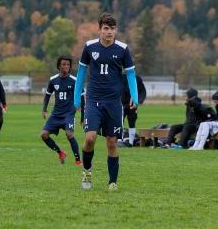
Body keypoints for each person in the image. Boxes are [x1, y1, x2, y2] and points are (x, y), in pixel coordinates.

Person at [74, 13, 139, 191]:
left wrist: (135, 96)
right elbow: (80, 73)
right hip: (93, 100)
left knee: (112, 142)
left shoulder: (123, 49)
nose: (109, 32)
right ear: (100, 29)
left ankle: (112, 182)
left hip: (113, 103)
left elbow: (131, 74)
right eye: (106, 28)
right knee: (89, 138)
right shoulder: (89, 47)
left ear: (116, 30)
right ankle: (87, 170)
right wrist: (76, 96)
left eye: (112, 29)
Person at [41, 56, 85, 165]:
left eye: (68, 65)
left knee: (69, 134)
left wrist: (83, 117)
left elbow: (83, 97)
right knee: (44, 135)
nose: (66, 66)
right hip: (56, 114)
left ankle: (78, 159)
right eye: (64, 64)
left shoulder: (75, 81)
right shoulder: (53, 80)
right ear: (59, 66)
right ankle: (60, 152)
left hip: (69, 114)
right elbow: (47, 95)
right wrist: (44, 109)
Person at [121, 73, 146, 147]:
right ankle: (119, 141)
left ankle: (131, 142)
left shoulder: (137, 78)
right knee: (119, 122)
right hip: (121, 104)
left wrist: (138, 101)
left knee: (132, 122)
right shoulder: (120, 77)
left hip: (132, 105)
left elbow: (142, 91)